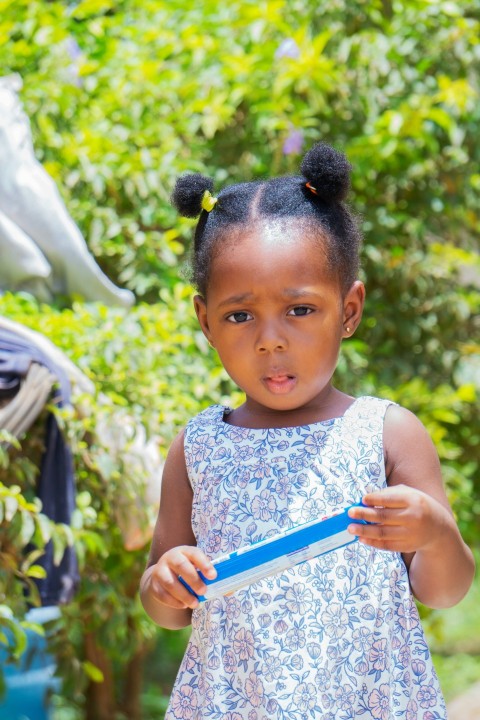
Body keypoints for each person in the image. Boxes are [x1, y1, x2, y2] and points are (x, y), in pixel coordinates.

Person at [140, 142, 475, 719]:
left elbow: (445, 590)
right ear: (205, 321)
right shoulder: (198, 448)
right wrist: (164, 582)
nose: (270, 338)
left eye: (300, 309)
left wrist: (435, 531)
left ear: (348, 311)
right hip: (236, 703)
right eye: (239, 315)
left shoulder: (387, 434)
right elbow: (167, 608)